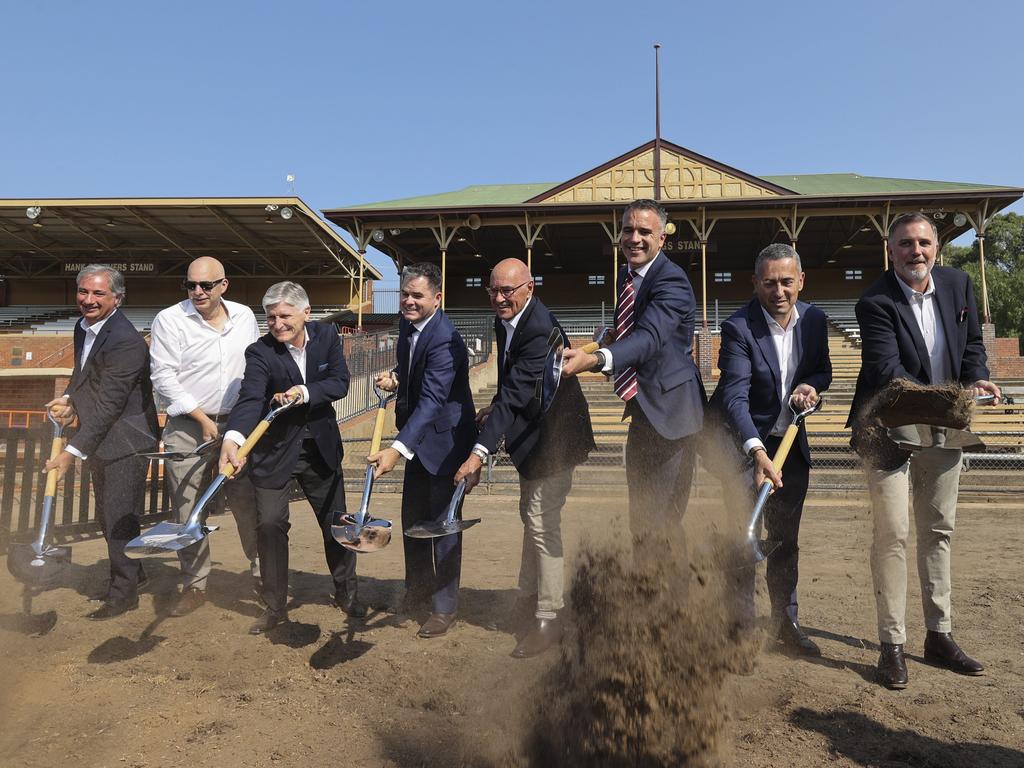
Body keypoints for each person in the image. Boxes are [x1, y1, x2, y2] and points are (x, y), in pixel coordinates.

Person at [847, 212, 1001, 689]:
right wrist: (955, 400)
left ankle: (940, 635)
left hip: (944, 425)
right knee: (892, 534)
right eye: (906, 244)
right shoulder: (874, 300)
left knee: (938, 531)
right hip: (888, 426)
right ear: (890, 250)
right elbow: (889, 372)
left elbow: (972, 344)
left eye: (924, 242)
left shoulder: (958, 285)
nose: (916, 251)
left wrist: (975, 377)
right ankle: (892, 645)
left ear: (937, 246)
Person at [454, 258, 594, 658]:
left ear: (529, 288)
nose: (499, 299)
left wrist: (478, 453)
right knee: (530, 518)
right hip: (534, 439)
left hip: (557, 439)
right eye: (493, 291)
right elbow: (512, 384)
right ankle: (530, 600)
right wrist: (495, 404)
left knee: (541, 521)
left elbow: (516, 394)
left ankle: (550, 619)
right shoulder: (509, 318)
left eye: (507, 291)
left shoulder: (537, 329)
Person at [706, 243, 832, 656]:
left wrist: (812, 386)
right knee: (746, 537)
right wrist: (757, 454)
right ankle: (740, 628)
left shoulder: (814, 320)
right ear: (755, 283)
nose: (779, 291)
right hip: (743, 442)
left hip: (790, 442)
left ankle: (785, 622)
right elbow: (734, 400)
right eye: (770, 283)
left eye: (786, 282)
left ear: (801, 281)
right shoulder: (738, 328)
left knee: (785, 539)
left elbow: (822, 369)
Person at [561, 199, 705, 559]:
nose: (634, 238)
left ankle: (677, 609)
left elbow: (651, 338)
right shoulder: (628, 276)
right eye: (628, 230)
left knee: (662, 522)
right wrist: (613, 339)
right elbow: (636, 333)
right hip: (643, 412)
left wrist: (597, 358)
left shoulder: (672, 279)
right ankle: (646, 603)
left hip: (673, 416)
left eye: (644, 231)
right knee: (642, 518)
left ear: (661, 239)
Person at [219, 281, 364, 635]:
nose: (278, 323)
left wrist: (305, 392)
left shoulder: (327, 336)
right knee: (269, 525)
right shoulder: (260, 352)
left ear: (306, 313)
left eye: (285, 316)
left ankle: (346, 590)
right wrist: (234, 438)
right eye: (271, 317)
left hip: (320, 450)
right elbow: (251, 398)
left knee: (338, 524)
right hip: (275, 452)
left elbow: (339, 382)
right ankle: (274, 605)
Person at [367, 262, 477, 638]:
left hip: (446, 445)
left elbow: (432, 400)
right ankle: (416, 592)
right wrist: (396, 377)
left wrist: (396, 449)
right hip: (416, 440)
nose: (409, 302)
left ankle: (444, 609)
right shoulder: (406, 324)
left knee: (443, 527)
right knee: (412, 519)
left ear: (437, 298)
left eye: (418, 296)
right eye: (405, 294)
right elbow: (413, 371)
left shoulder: (446, 339)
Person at [44, 265, 160, 620]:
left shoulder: (125, 340)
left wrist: (70, 453)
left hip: (128, 438)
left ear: (117, 299)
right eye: (83, 292)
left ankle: (123, 593)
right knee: (105, 515)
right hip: (103, 436)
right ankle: (133, 574)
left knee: (119, 517)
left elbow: (111, 402)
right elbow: (83, 373)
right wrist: (69, 399)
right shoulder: (84, 328)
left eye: (98, 294)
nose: (88, 300)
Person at [149, 257, 261, 617]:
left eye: (206, 285)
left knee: (247, 501)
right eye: (191, 285)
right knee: (187, 505)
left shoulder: (245, 317)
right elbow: (163, 377)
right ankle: (195, 584)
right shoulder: (170, 319)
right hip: (187, 425)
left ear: (223, 285)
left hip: (239, 422)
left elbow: (255, 369)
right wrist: (200, 417)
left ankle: (262, 576)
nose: (198, 291)